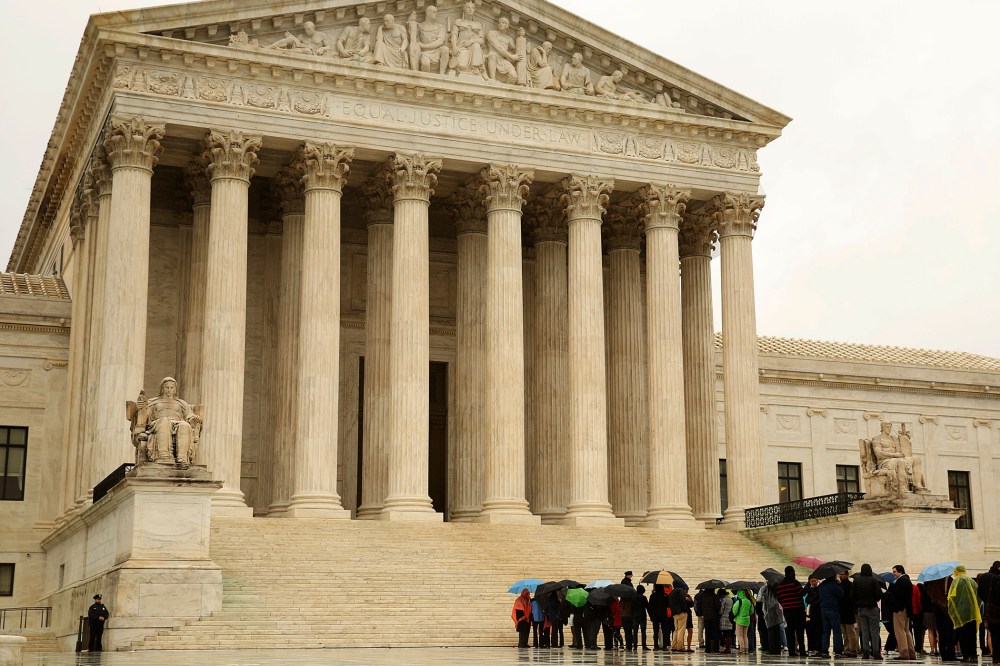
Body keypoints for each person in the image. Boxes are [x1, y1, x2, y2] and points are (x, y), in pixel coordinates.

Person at [132, 377, 202, 468]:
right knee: (164, 421)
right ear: (162, 388)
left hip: (177, 423)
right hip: (158, 423)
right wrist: (140, 408)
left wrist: (195, 419)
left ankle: (182, 458)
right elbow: (145, 415)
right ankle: (163, 455)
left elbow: (190, 416)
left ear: (175, 389)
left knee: (185, 425)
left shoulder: (182, 403)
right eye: (167, 387)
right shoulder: (153, 402)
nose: (169, 390)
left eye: (171, 388)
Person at [852, 563, 885, 659]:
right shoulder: (873, 580)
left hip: (861, 609)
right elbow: (879, 595)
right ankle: (876, 652)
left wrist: (859, 601)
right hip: (872, 608)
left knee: (864, 631)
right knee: (874, 631)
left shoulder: (856, 581)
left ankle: (865, 652)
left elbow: (852, 595)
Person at [949, 565, 981, 662]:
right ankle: (973, 655)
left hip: (961, 614)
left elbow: (952, 597)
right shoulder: (972, 581)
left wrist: (952, 610)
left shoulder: (957, 580)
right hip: (973, 614)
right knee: (972, 635)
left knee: (963, 636)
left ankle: (966, 655)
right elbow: (979, 597)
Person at [776, 566, 808, 656]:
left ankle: (791, 651)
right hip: (798, 610)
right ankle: (802, 651)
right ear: (791, 572)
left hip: (787, 611)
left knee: (790, 631)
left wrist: (786, 605)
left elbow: (779, 598)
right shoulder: (794, 583)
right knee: (800, 631)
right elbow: (802, 593)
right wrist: (807, 586)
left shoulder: (780, 585)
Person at [448, 1, 485, 77]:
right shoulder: (458, 22)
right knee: (462, 66)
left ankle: (475, 67)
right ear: (464, 9)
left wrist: (471, 41)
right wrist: (454, 46)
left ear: (474, 10)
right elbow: (454, 35)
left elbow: (481, 40)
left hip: (473, 48)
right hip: (461, 47)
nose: (470, 9)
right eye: (468, 7)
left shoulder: (478, 24)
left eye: (472, 8)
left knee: (476, 45)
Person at [408, 6, 449, 74]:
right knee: (425, 64)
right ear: (428, 13)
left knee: (445, 49)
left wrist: (424, 46)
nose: (436, 14)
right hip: (425, 53)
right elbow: (413, 39)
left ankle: (442, 74)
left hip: (437, 51)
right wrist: (411, 21)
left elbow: (440, 42)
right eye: (434, 12)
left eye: (436, 12)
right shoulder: (420, 26)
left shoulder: (440, 27)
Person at [891, 564, 918, 659]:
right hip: (907, 609)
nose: (893, 573)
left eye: (894, 571)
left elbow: (897, 596)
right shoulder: (907, 580)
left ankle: (904, 653)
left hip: (900, 609)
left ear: (900, 571)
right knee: (907, 631)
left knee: (900, 632)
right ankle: (911, 653)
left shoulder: (900, 581)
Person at [485, 17, 521, 83]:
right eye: (499, 22)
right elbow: (498, 47)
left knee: (514, 76)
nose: (500, 24)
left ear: (507, 25)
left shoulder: (509, 39)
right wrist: (511, 56)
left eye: (503, 22)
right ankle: (492, 80)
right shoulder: (492, 33)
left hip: (503, 60)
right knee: (493, 56)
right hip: (493, 58)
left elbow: (517, 50)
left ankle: (505, 91)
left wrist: (520, 37)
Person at [267, 21, 333, 55]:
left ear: (313, 28)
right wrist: (291, 37)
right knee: (290, 39)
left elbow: (329, 47)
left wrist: (322, 48)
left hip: (312, 51)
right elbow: (297, 44)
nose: (306, 31)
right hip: (303, 48)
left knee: (307, 50)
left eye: (308, 29)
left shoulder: (321, 35)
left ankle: (284, 51)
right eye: (305, 29)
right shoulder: (301, 36)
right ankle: (269, 47)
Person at [979, 561, 1000, 664]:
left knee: (992, 634)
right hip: (997, 611)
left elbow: (979, 593)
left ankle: (995, 656)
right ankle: (997, 656)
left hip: (988, 609)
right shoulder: (997, 578)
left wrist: (987, 601)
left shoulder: (984, 577)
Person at [759, 583, 786, 655]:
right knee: (777, 632)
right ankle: (777, 649)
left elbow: (760, 600)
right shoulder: (778, 589)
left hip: (769, 614)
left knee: (771, 633)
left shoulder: (764, 589)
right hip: (777, 614)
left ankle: (772, 649)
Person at [840, 570, 860, 656]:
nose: (841, 576)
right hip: (842, 611)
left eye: (842, 574)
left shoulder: (851, 585)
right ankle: (846, 648)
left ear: (847, 575)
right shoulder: (839, 585)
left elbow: (853, 599)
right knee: (844, 632)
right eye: (840, 574)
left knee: (851, 631)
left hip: (849, 611)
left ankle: (853, 649)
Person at [699, 586, 722, 653]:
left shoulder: (703, 597)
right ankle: (715, 648)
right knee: (715, 633)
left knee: (707, 633)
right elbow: (718, 606)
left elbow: (700, 606)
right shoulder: (715, 596)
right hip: (714, 617)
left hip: (706, 617)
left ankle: (708, 648)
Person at [670, 584, 690, 650]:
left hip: (674, 614)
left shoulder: (672, 592)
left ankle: (674, 646)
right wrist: (685, 610)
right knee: (681, 630)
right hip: (681, 613)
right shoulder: (680, 590)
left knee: (676, 630)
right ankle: (680, 646)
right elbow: (682, 602)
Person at [733, 589, 753, 654]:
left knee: (740, 636)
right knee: (745, 635)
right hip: (747, 620)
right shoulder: (748, 601)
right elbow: (752, 611)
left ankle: (742, 649)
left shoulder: (739, 602)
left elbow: (734, 611)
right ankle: (746, 649)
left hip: (739, 620)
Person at [649, 584, 669, 650]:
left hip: (655, 615)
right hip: (663, 615)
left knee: (656, 631)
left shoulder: (653, 596)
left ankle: (656, 646)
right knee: (664, 631)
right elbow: (668, 605)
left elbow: (650, 606)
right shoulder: (665, 595)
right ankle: (665, 646)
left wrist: (651, 616)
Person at [719, 589, 735, 654]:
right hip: (730, 618)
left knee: (724, 634)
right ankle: (728, 647)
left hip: (724, 619)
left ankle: (724, 647)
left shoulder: (724, 600)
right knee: (729, 633)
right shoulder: (731, 599)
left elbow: (721, 610)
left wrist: (719, 613)